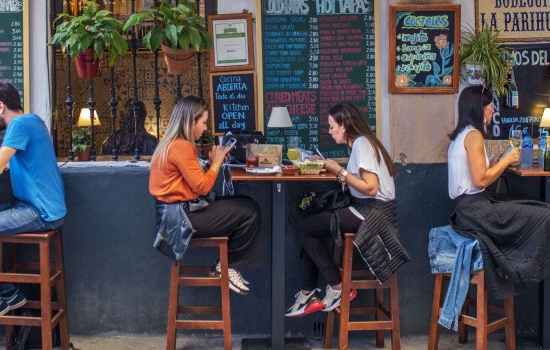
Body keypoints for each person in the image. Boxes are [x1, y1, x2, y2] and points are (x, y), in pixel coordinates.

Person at [0, 81, 67, 336]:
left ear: (0, 106)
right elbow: (20, 162)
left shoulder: (18, 125)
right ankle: (7, 293)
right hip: (36, 206)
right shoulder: (34, 121)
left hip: (40, 212)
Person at [286, 102, 406, 318]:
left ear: (344, 125)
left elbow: (371, 188)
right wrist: (331, 168)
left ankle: (337, 286)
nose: (329, 132)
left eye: (332, 126)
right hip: (367, 209)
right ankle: (308, 292)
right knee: (309, 223)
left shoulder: (361, 144)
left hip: (373, 213)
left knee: (305, 227)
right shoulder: (362, 143)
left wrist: (339, 171)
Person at [447, 85, 550, 298]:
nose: (493, 110)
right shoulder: (473, 136)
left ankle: (524, 269)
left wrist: (494, 162)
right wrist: (507, 162)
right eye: (490, 106)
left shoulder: (462, 135)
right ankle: (532, 269)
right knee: (545, 213)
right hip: (476, 211)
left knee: (534, 206)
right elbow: (481, 179)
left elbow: (476, 173)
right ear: (479, 108)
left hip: (469, 210)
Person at [149, 96, 261, 293]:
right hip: (182, 219)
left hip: (175, 216)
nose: (205, 128)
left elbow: (190, 183)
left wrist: (210, 164)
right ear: (190, 121)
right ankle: (227, 267)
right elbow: (202, 188)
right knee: (250, 210)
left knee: (244, 203)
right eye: (203, 122)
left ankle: (227, 266)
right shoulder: (181, 146)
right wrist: (217, 162)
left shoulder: (172, 144)